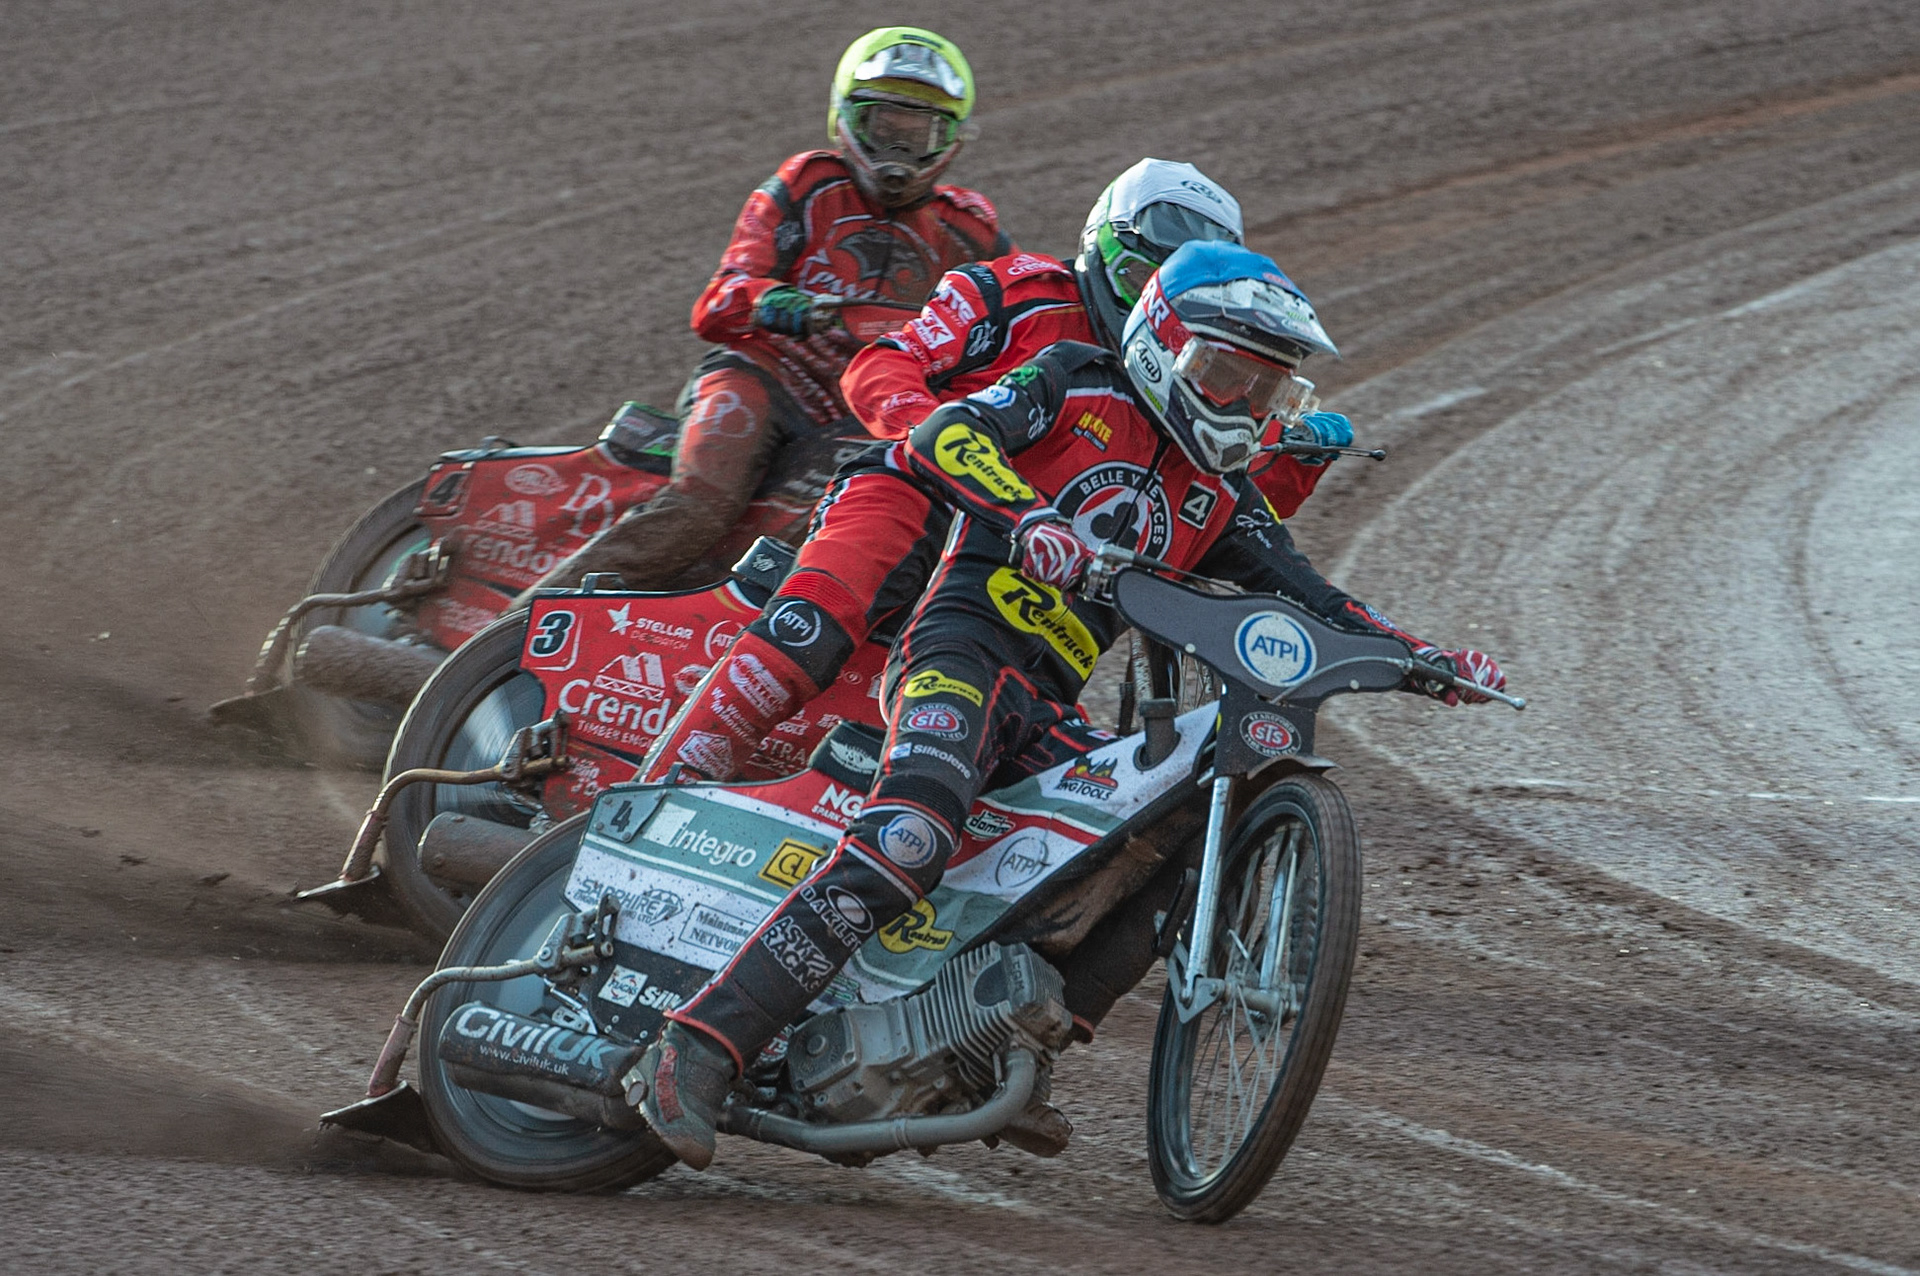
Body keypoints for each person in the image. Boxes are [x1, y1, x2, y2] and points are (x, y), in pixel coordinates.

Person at [625, 240, 1506, 1169]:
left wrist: (1425, 658)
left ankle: (1014, 1046)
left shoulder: (1221, 493)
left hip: (1043, 704)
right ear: (1166, 346)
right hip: (958, 651)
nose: (1243, 405)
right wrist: (1029, 516)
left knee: (1176, 837)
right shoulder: (1077, 379)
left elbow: (1314, 595)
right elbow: (947, 435)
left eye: (1267, 390)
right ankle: (694, 1047)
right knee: (911, 836)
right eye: (1226, 372)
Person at [647, 159, 1354, 781]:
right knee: (843, 573)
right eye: (1140, 278)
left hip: (1046, 558)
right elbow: (884, 365)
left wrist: (1293, 466)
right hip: (931, 491)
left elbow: (1198, 507)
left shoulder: (1197, 360)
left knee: (1054, 683)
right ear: (1100, 247)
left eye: (1167, 289)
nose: (1149, 306)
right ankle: (680, 770)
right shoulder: (1014, 291)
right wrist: (938, 437)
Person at [528, 27, 1008, 596]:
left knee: (857, 523)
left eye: (920, 131)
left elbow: (1024, 313)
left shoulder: (970, 229)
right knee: (700, 507)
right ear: (847, 117)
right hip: (764, 375)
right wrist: (779, 303)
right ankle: (507, 637)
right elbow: (715, 304)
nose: (898, 149)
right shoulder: (805, 186)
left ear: (951, 137)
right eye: (884, 125)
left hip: (862, 408)